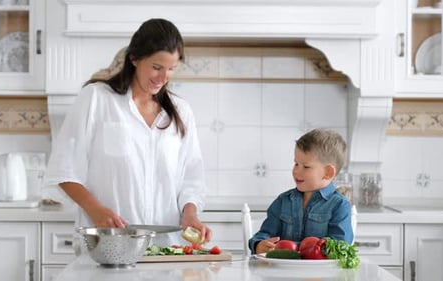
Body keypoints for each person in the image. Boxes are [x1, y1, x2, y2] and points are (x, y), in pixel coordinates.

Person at [44, 18, 211, 246]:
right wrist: (96, 210)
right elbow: (64, 171)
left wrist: (190, 213)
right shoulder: (96, 99)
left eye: (171, 69)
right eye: (156, 67)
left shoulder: (181, 112)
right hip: (109, 246)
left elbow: (192, 179)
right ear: (134, 58)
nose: (163, 78)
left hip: (167, 248)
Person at [249, 128, 353, 254]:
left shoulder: (339, 205)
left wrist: (295, 247)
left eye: (306, 166)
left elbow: (340, 245)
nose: (296, 171)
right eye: (296, 164)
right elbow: (265, 233)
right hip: (282, 271)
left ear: (328, 172)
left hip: (323, 273)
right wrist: (259, 244)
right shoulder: (283, 201)